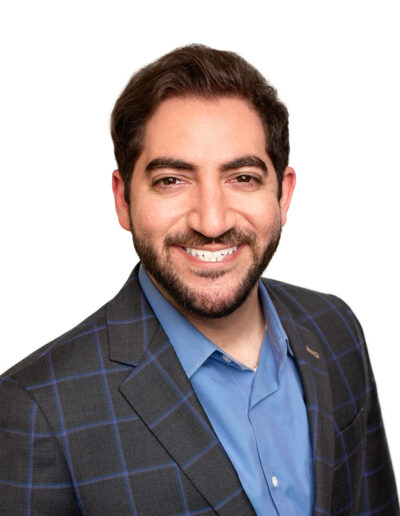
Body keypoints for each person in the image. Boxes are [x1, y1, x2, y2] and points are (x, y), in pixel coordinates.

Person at [0, 44, 398, 516]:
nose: (212, 221)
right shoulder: (37, 412)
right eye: (172, 180)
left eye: (243, 178)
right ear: (124, 200)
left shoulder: (336, 327)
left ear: (283, 194)